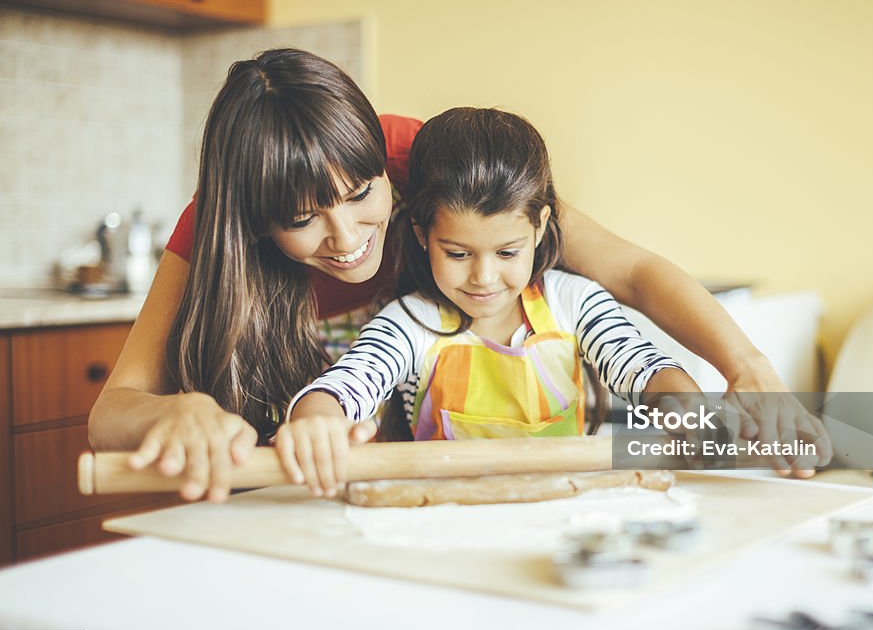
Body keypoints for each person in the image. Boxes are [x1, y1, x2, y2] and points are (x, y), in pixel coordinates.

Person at [88, 48, 829, 503]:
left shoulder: (428, 163)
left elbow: (630, 273)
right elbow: (114, 407)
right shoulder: (212, 231)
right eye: (303, 220)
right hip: (308, 482)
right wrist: (172, 411)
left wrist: (743, 367)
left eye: (360, 197)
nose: (347, 240)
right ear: (250, 219)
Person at [275, 108, 703, 495]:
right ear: (423, 237)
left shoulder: (574, 302)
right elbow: (349, 383)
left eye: (507, 252)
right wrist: (317, 421)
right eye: (458, 254)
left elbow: (642, 367)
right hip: (442, 520)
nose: (483, 277)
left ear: (539, 227)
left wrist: (688, 410)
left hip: (565, 512)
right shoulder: (411, 322)